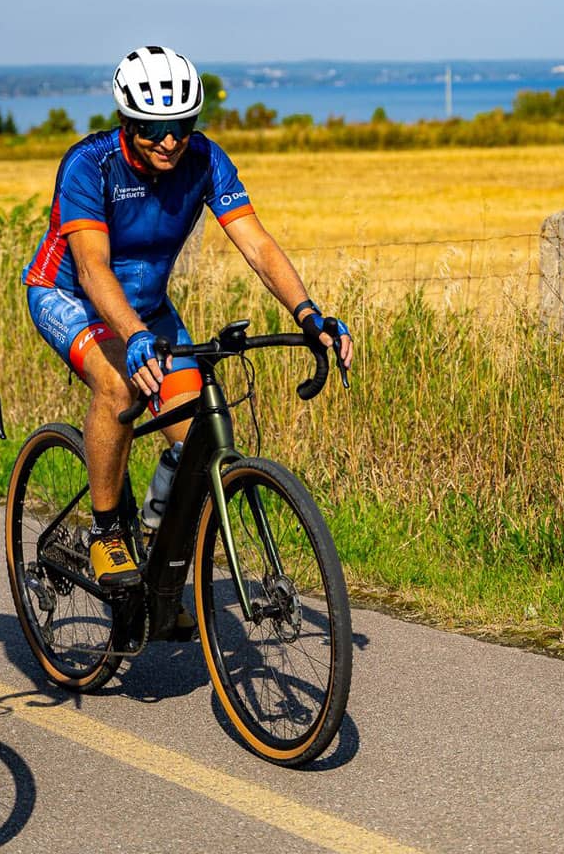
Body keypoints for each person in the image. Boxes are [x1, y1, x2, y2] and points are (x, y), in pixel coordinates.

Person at [23, 46, 354, 591]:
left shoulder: (203, 160)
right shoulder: (90, 164)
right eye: (154, 129)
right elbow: (91, 267)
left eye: (181, 125)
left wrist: (309, 313)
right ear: (127, 122)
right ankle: (106, 533)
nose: (170, 141)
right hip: (70, 296)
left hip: (147, 309)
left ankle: (157, 539)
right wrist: (131, 336)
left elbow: (258, 246)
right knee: (119, 389)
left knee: (197, 436)